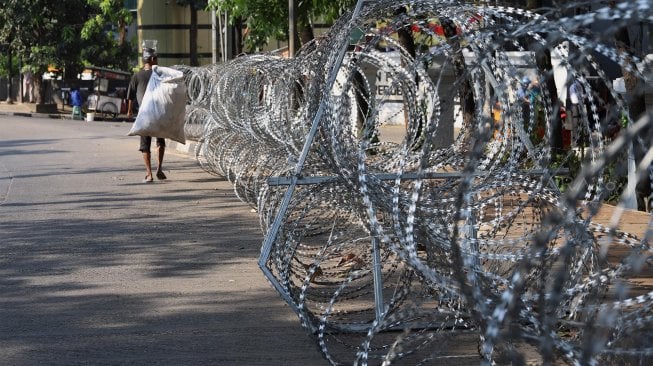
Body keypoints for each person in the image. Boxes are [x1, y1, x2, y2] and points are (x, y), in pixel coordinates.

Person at [127, 47, 167, 183]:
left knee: (145, 145)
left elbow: (130, 95)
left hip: (143, 114)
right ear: (152, 59)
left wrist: (129, 110)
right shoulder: (159, 74)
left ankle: (149, 174)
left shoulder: (137, 76)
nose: (157, 61)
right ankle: (159, 168)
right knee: (160, 141)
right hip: (158, 113)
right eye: (156, 58)